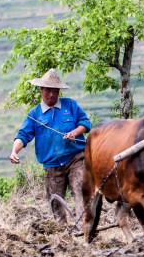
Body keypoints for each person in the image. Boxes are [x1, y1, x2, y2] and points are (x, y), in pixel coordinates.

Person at [9, 68, 91, 224]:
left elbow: (85, 123)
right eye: (48, 90)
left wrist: (74, 132)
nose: (51, 95)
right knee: (55, 202)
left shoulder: (70, 105)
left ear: (59, 91)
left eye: (55, 91)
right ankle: (63, 235)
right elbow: (23, 136)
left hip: (75, 159)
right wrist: (14, 151)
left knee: (80, 190)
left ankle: (85, 227)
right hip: (52, 165)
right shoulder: (34, 114)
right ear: (42, 90)